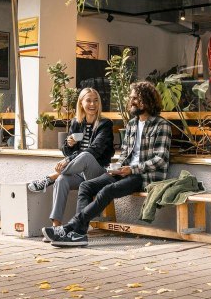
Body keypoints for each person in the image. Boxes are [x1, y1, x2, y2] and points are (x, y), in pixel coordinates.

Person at [43, 81, 171, 247]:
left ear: (147, 100)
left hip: (144, 176)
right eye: (131, 98)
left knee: (107, 190)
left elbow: (160, 159)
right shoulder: (132, 125)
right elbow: (125, 154)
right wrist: (116, 169)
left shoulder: (161, 125)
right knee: (86, 187)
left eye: (135, 98)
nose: (131, 101)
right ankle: (79, 233)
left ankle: (72, 228)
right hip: (124, 172)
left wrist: (131, 169)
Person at [27, 88, 114, 230]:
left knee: (86, 156)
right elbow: (67, 153)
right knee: (62, 180)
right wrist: (68, 144)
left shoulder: (105, 124)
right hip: (79, 173)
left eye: (96, 100)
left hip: (98, 173)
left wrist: (68, 160)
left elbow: (95, 151)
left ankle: (50, 177)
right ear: (81, 103)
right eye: (89, 100)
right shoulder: (76, 123)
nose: (93, 104)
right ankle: (56, 227)